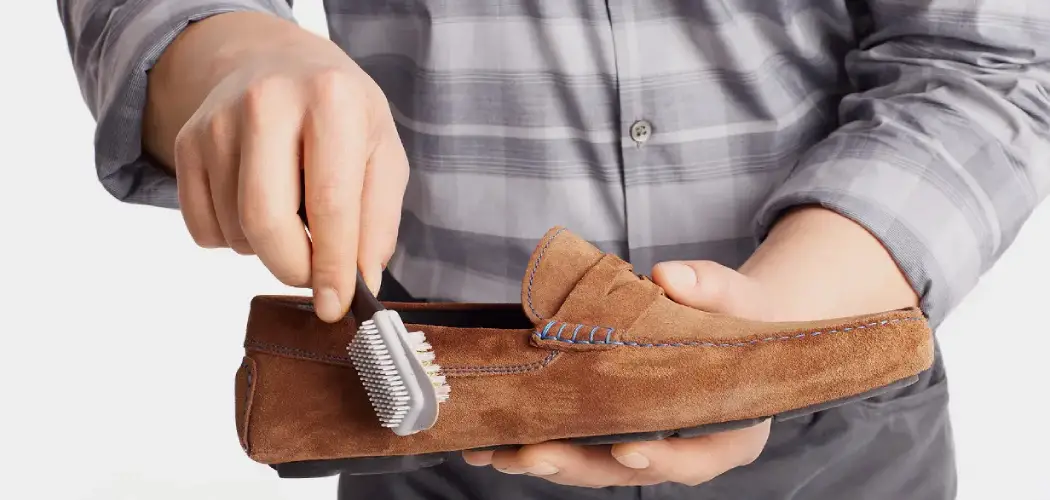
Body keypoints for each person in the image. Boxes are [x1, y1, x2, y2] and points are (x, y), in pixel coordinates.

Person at [57, 1, 1049, 499]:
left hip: (842, 437)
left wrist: (756, 340)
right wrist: (231, 52)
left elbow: (991, 55)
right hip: (436, 438)